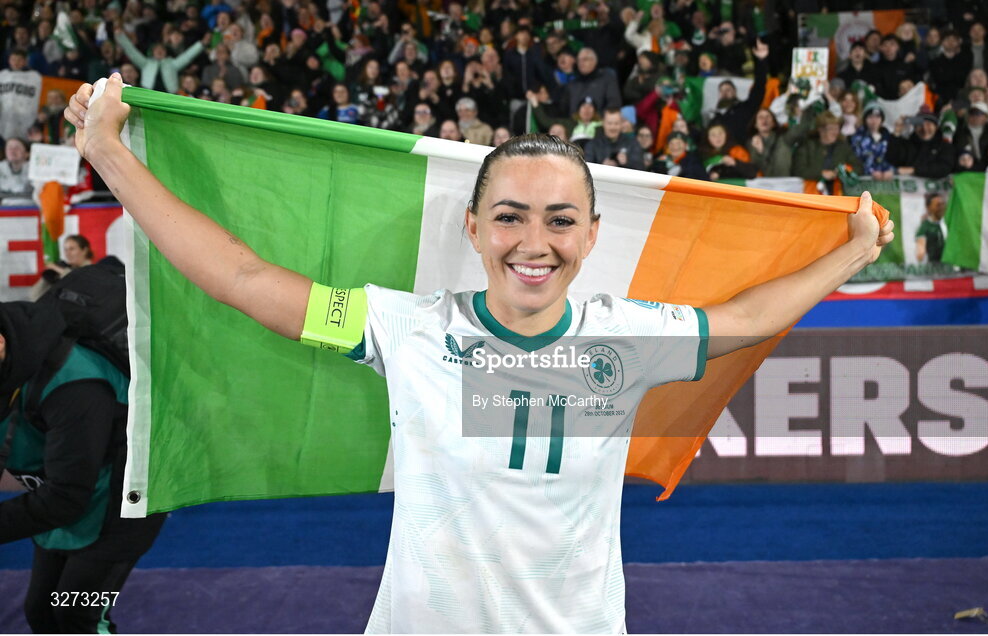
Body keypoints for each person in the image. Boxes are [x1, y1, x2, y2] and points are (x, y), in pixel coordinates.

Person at [63, 73, 893, 633]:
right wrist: (106, 153)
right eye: (510, 216)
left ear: (593, 235)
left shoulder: (630, 337)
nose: (535, 242)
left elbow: (746, 316)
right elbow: (242, 277)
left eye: (561, 220)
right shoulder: (405, 328)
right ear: (472, 227)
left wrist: (852, 251)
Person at [0, 284, 166, 634]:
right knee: (42, 613)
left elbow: (65, 499)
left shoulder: (74, 384)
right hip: (70, 486)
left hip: (125, 499)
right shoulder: (12, 365)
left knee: (76, 616)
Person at [915, 192, 946, 263]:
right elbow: (920, 253)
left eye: (943, 204)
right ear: (929, 208)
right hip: (935, 267)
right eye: (938, 205)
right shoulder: (925, 226)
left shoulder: (948, 222)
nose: (941, 208)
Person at [0, 138, 32, 204]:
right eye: (9, 148)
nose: (12, 150)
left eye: (17, 148)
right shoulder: (1, 167)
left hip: (32, 207)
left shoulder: (35, 169)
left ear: (27, 153)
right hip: (4, 208)